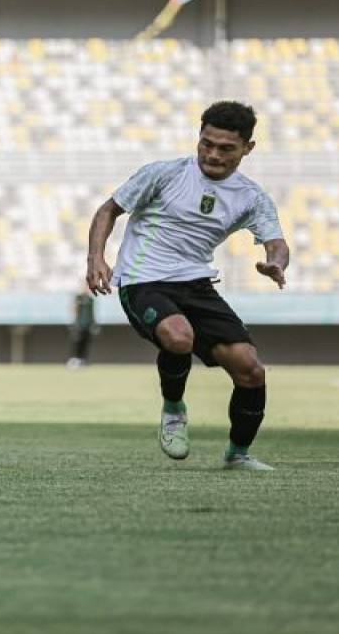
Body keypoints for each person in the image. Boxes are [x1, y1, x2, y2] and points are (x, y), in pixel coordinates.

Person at [86, 101, 290, 471]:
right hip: (143, 279)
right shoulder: (164, 174)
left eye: (226, 148)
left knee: (250, 369)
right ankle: (174, 409)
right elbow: (107, 210)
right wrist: (96, 259)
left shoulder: (252, 196)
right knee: (179, 337)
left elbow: (276, 242)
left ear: (248, 148)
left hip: (196, 284)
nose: (212, 154)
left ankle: (238, 454)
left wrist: (275, 263)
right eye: (206, 143)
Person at [67, 283, 98, 369]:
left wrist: (94, 324)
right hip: (79, 324)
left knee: (86, 342)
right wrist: (75, 322)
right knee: (77, 342)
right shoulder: (78, 298)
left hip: (88, 324)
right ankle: (74, 359)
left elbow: (92, 313)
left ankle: (82, 359)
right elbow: (75, 310)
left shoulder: (91, 299)